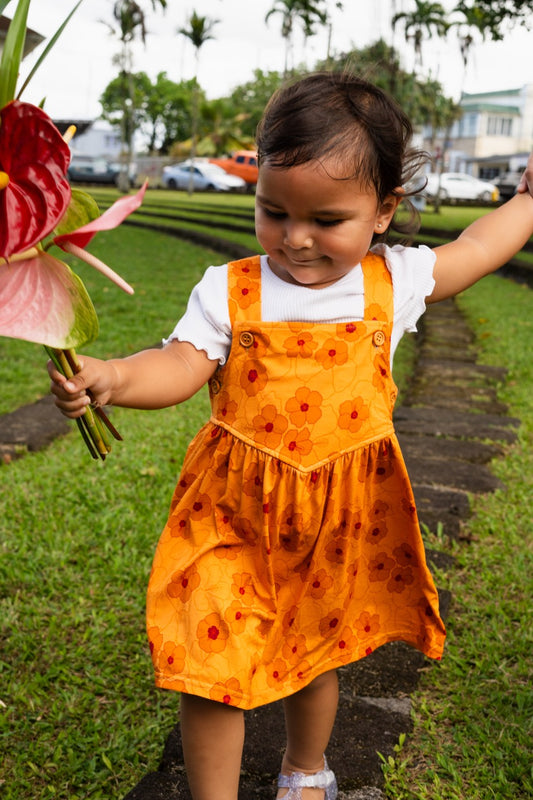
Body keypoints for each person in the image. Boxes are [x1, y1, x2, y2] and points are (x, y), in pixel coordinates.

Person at [49, 72, 533, 800]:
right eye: (272, 212)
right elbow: (180, 365)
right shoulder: (229, 287)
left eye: (325, 219)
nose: (295, 239)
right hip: (231, 514)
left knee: (315, 655)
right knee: (209, 672)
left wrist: (526, 199)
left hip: (336, 521)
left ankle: (306, 771)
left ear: (382, 212)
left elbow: (475, 246)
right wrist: (113, 375)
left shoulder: (390, 281)